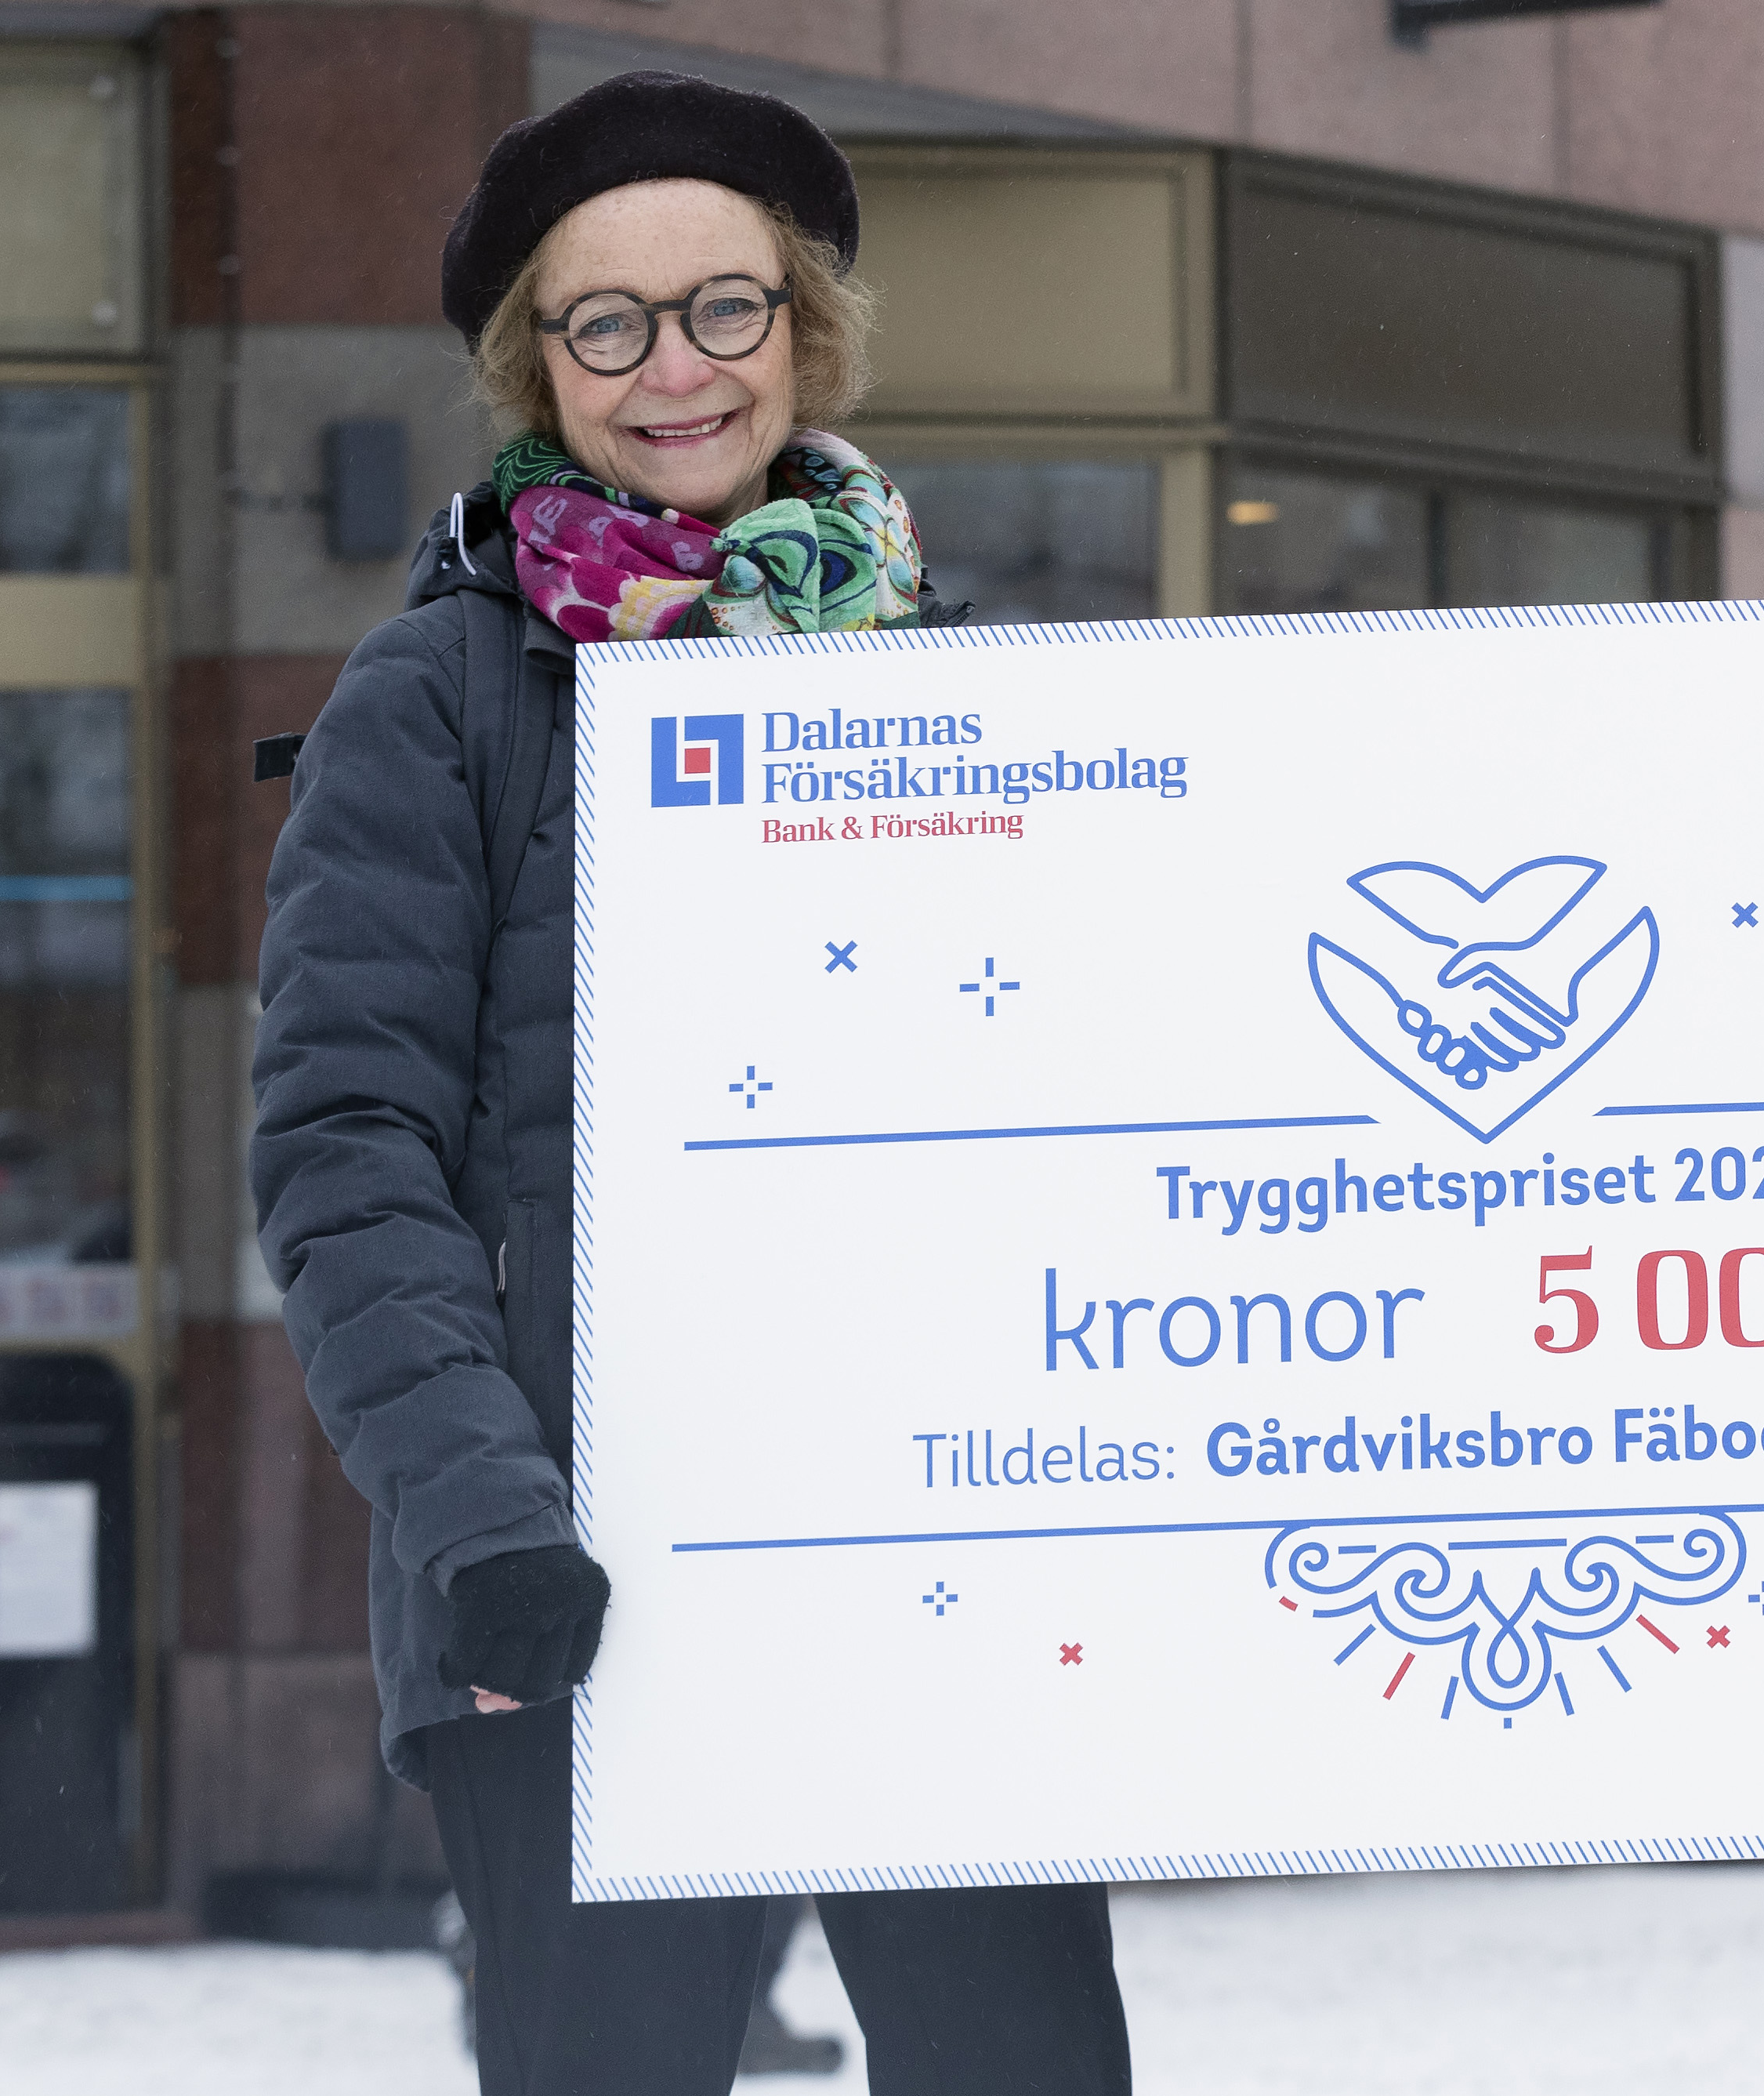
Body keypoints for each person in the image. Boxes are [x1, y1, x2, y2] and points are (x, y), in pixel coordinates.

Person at [251, 71, 1129, 2096]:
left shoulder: (965, 681)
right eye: (608, 322)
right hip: (578, 1584)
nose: (676, 368)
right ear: (535, 363)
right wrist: (485, 1518)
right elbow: (347, 1149)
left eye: (726, 306)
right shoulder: (439, 697)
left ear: (805, 327)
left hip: (932, 1558)